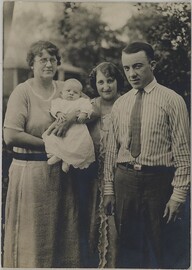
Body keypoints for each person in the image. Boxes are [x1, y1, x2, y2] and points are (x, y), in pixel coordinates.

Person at [103, 42, 190, 268]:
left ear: (152, 64)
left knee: (163, 252)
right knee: (128, 253)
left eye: (138, 66)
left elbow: (184, 154)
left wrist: (178, 196)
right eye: (127, 68)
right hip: (125, 182)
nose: (132, 73)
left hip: (159, 184)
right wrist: (109, 189)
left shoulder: (172, 100)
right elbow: (112, 152)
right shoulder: (121, 104)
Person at [3, 40, 81, 267]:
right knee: (33, 238)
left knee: (61, 235)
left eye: (52, 59)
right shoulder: (22, 91)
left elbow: (90, 108)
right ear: (32, 64)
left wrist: (73, 116)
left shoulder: (65, 88)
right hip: (30, 175)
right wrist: (51, 146)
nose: (48, 64)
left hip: (60, 175)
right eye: (42, 59)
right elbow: (10, 136)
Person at [87, 62, 124, 267]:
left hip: (119, 182)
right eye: (101, 82)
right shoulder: (90, 107)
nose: (106, 86)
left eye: (110, 81)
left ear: (118, 81)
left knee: (116, 233)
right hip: (91, 182)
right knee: (91, 229)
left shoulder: (126, 104)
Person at [42, 78, 95, 173]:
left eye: (75, 92)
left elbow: (87, 106)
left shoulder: (80, 101)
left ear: (80, 95)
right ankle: (57, 155)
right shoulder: (59, 101)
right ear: (62, 93)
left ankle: (67, 161)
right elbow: (53, 108)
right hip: (61, 127)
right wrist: (58, 113)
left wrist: (84, 113)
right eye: (68, 91)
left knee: (76, 145)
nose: (71, 93)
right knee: (55, 140)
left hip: (76, 129)